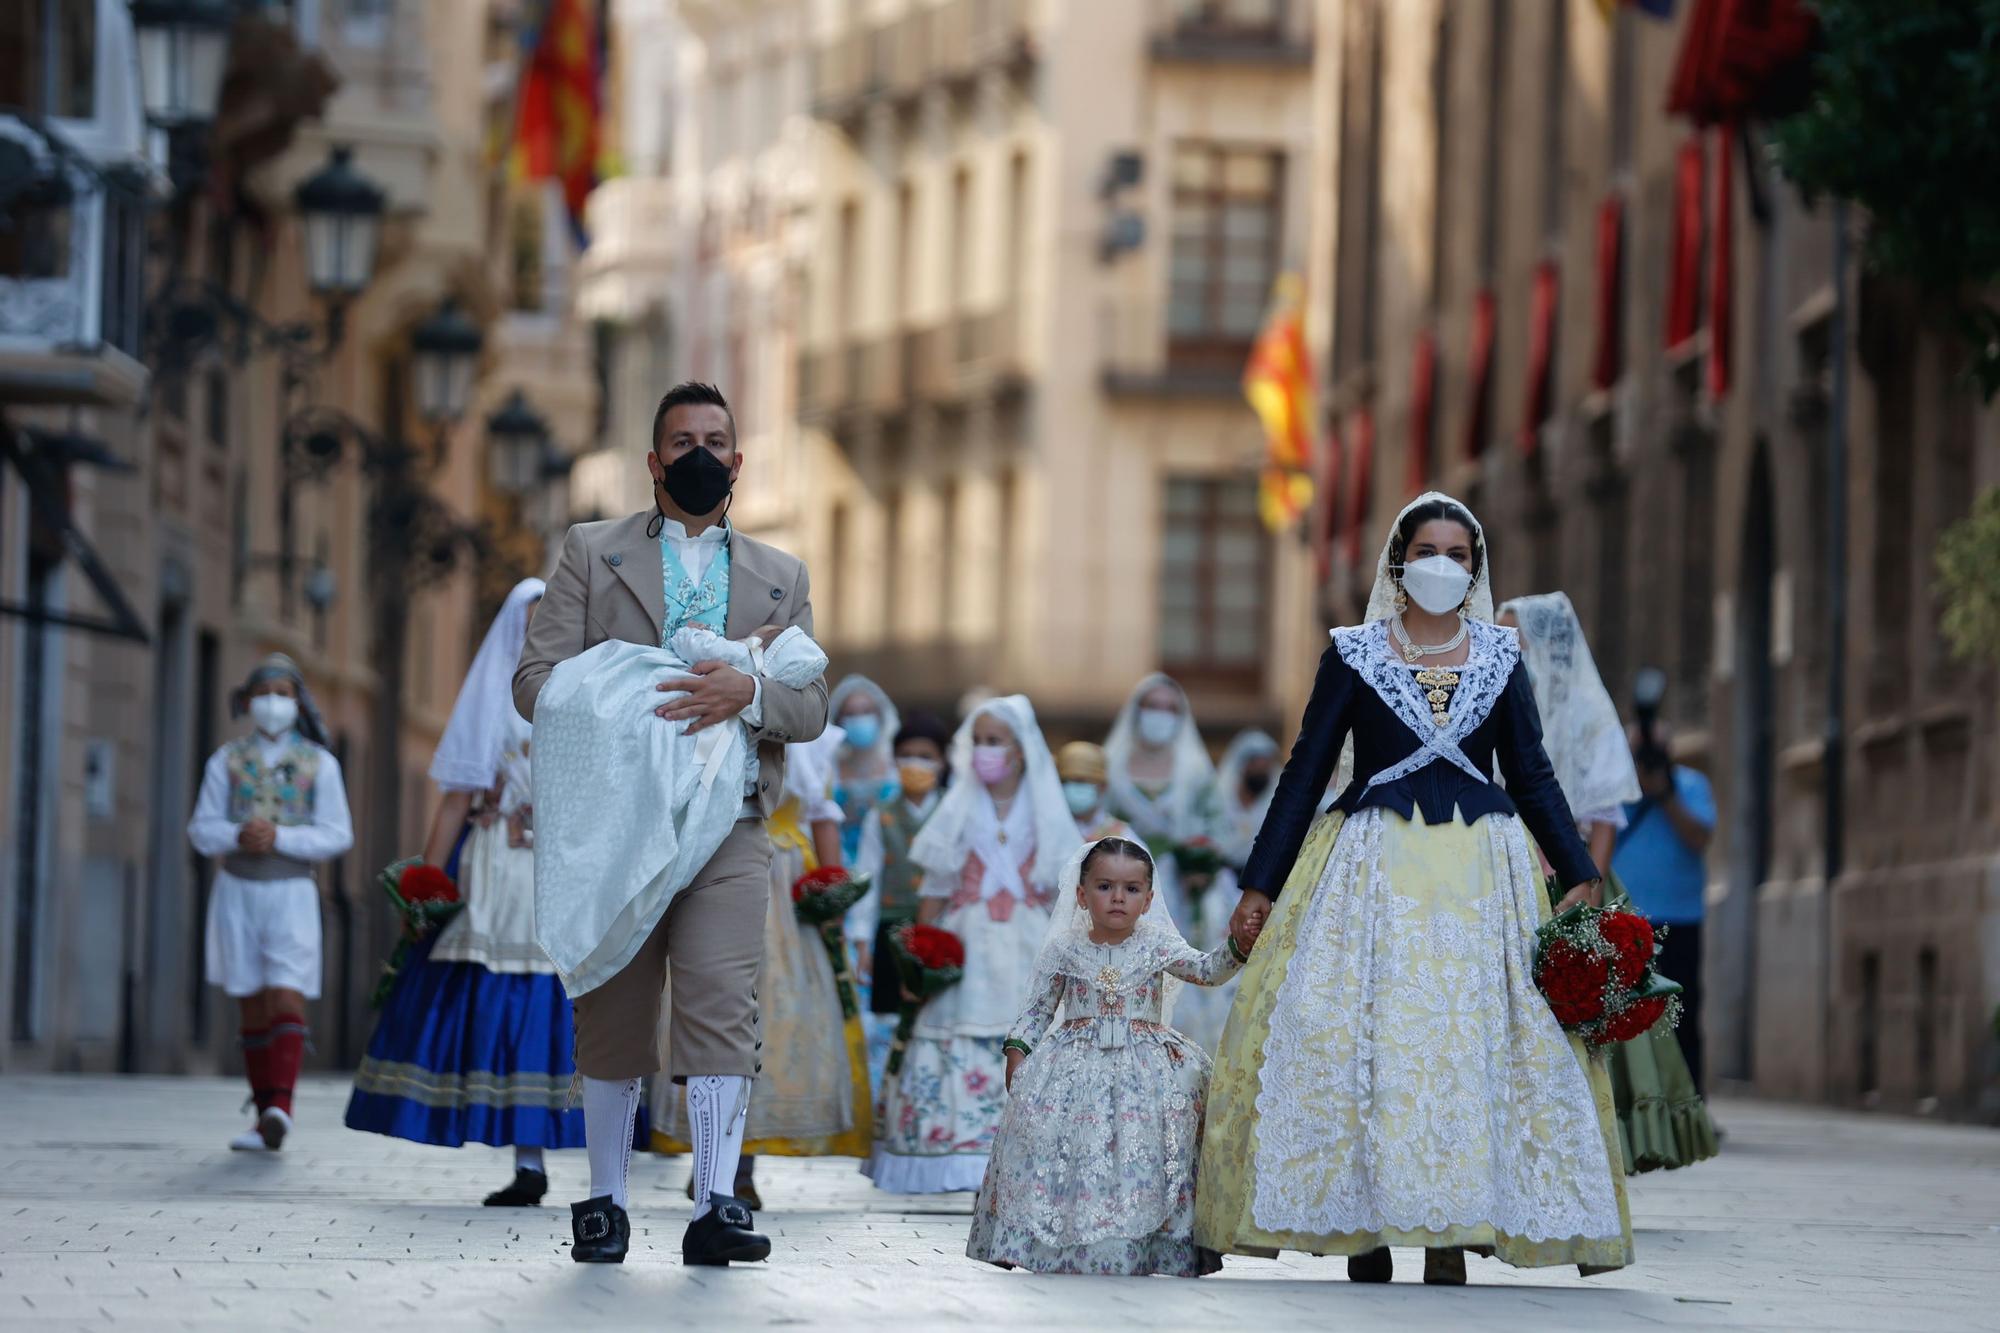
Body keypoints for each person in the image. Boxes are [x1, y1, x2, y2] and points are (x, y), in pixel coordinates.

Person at [1195, 492, 1632, 1284]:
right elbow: (1303, 772)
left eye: (1457, 554)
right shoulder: (1355, 653)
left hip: (1479, 875)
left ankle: (1449, 1232)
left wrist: (1579, 870)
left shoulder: (1501, 658)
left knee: (1465, 1044)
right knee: (1366, 1036)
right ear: (1398, 563)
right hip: (1371, 870)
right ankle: (1366, 1228)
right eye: (1425, 551)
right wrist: (1261, 882)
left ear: (1475, 568)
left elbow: (1530, 772)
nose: (1441, 565)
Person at [513, 381, 828, 1267]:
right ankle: (605, 1202)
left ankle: (717, 1201)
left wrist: (750, 691)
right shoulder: (591, 550)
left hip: (728, 823)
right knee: (612, 1008)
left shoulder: (781, 574)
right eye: (681, 439)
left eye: (715, 439)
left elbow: (811, 706)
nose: (699, 452)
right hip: (615, 823)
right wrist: (636, 688)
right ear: (653, 462)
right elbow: (535, 682)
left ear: (737, 459)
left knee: (723, 1005)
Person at [345, 579, 594, 1205]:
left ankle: (560, 1155)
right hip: (498, 876)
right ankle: (527, 1163)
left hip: (565, 873)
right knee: (501, 1005)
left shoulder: (589, 695)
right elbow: (456, 798)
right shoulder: (492, 702)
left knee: (556, 1009)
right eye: (532, 624)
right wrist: (427, 886)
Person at [967, 837, 1260, 1276]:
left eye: (1131, 889)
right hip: (1070, 1068)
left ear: (1149, 898)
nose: (1118, 898)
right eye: (1104, 887)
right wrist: (1017, 1051)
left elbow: (1206, 970)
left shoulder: (1157, 945)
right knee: (1069, 1148)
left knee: (1141, 1150)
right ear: (1082, 895)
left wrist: (1238, 945)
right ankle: (1051, 1241)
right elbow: (1037, 1011)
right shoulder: (1063, 949)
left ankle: (1145, 1241)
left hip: (1146, 1071)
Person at [1499, 592, 1718, 1174]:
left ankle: (1588, 1147)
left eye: (1513, 640)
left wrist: (1586, 886)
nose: (1503, 649)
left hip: (1572, 876)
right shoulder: (1497, 697)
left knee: (1585, 1005)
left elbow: (1603, 815)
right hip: (1506, 869)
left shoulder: (1586, 716)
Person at [864, 695, 1080, 1194]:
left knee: (1026, 1031)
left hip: (1029, 940)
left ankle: (1029, 1150)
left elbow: (1064, 895)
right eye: (978, 741)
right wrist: (917, 958)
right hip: (964, 943)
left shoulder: (1046, 810)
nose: (985, 751)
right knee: (951, 1031)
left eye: (994, 742)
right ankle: (953, 1156)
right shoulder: (957, 807)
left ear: (1020, 750)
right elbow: (935, 890)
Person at [651, 722, 870, 1204]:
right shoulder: (710, 720)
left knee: (774, 1023)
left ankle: (739, 1164)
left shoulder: (817, 740)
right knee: (712, 1007)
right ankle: (711, 1158)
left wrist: (831, 904)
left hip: (787, 891)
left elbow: (823, 822)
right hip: (714, 867)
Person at [187, 653, 353, 1152]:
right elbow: (200, 829)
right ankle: (264, 1117)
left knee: (286, 991)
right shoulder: (227, 760)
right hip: (237, 891)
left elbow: (337, 833)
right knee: (251, 999)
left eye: (282, 693)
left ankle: (282, 1103)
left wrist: (279, 836)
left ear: (297, 702)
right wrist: (237, 833)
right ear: (248, 701)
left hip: (291, 892)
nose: (272, 704)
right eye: (264, 694)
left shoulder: (319, 763)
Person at [1613, 717, 1717, 1099]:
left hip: (1681, 916)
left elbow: (1699, 837)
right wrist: (1638, 790)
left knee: (1682, 1014)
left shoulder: (1690, 785)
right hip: (1626, 918)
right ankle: (1633, 1102)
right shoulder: (1616, 788)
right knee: (1623, 1015)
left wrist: (1666, 795)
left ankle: (1690, 1102)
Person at [850, 711, 954, 1083]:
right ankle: (889, 1106)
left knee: (939, 1019)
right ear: (894, 760)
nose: (916, 764)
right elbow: (868, 879)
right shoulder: (881, 816)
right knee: (889, 1025)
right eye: (907, 755)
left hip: (945, 932)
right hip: (892, 932)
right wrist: (862, 943)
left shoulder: (956, 812)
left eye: (926, 756)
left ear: (943, 761)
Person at [1174, 729, 1279, 1053]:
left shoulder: (1276, 803)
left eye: (1266, 764)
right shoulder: (1217, 801)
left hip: (1263, 888)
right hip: (1218, 889)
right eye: (1254, 763)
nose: (1260, 770)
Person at [1103, 675, 1220, 934]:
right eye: (1153, 706)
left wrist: (1202, 867)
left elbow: (1216, 824)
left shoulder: (1196, 771)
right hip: (1118, 888)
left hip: (1181, 891)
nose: (1161, 715)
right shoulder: (1111, 766)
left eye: (1170, 709)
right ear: (1136, 710)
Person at [828, 676, 901, 864]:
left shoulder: (897, 767)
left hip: (891, 866)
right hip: (843, 866)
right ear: (838, 720)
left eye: (866, 711)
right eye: (850, 713)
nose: (859, 718)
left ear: (880, 715)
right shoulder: (829, 771)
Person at [1055, 740, 1133, 842]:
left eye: (1080, 781)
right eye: (1065, 781)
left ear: (1102, 786)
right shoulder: (1046, 830)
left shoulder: (1121, 836)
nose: (1070, 787)